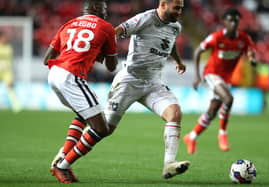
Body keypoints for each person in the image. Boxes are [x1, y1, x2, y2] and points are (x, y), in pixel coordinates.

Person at [104, 0, 190, 179]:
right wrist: (105, 53)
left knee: (174, 113)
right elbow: (116, 32)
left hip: (153, 82)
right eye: (177, 8)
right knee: (104, 129)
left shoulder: (175, 26)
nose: (180, 11)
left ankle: (169, 165)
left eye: (182, 8)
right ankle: (66, 156)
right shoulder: (145, 19)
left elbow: (170, 42)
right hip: (130, 80)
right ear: (164, 4)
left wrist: (178, 60)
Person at [43, 0, 118, 183]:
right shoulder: (106, 27)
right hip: (71, 76)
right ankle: (62, 166)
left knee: (83, 114)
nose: (106, 13)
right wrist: (100, 53)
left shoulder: (68, 24)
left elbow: (47, 59)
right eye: (104, 9)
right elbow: (111, 66)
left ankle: (63, 155)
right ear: (94, 8)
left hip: (54, 74)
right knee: (101, 129)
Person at [183, 8, 257, 154]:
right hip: (211, 73)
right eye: (230, 20)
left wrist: (252, 59)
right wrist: (197, 76)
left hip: (226, 78)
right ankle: (223, 133)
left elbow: (251, 51)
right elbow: (198, 51)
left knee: (212, 111)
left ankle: (191, 136)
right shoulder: (216, 37)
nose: (233, 23)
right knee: (228, 99)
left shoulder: (243, 39)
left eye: (236, 20)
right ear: (224, 22)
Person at [0, 31, 22, 113]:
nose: (5, 39)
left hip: (6, 71)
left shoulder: (8, 47)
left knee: (10, 87)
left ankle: (16, 105)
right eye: (3, 37)